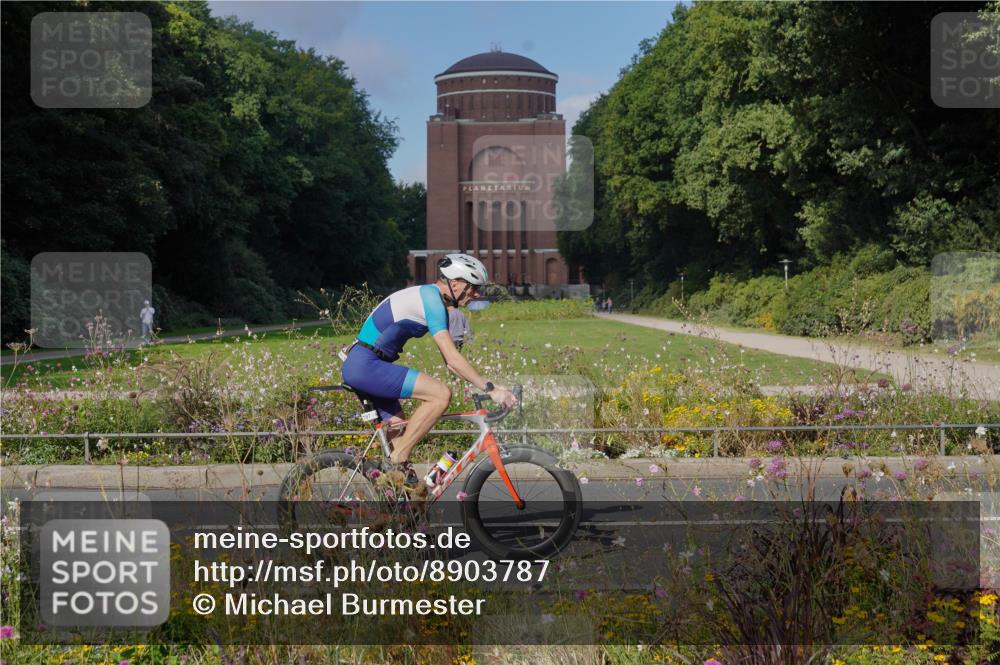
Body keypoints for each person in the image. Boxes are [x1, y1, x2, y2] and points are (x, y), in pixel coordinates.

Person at [340, 253, 517, 483]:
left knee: (401, 447)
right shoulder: (432, 301)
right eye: (473, 288)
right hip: (366, 366)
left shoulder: (431, 298)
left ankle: (399, 492)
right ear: (455, 284)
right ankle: (396, 460)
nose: (476, 294)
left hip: (367, 365)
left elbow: (451, 363)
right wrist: (490, 389)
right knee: (440, 395)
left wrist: (490, 386)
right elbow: (452, 359)